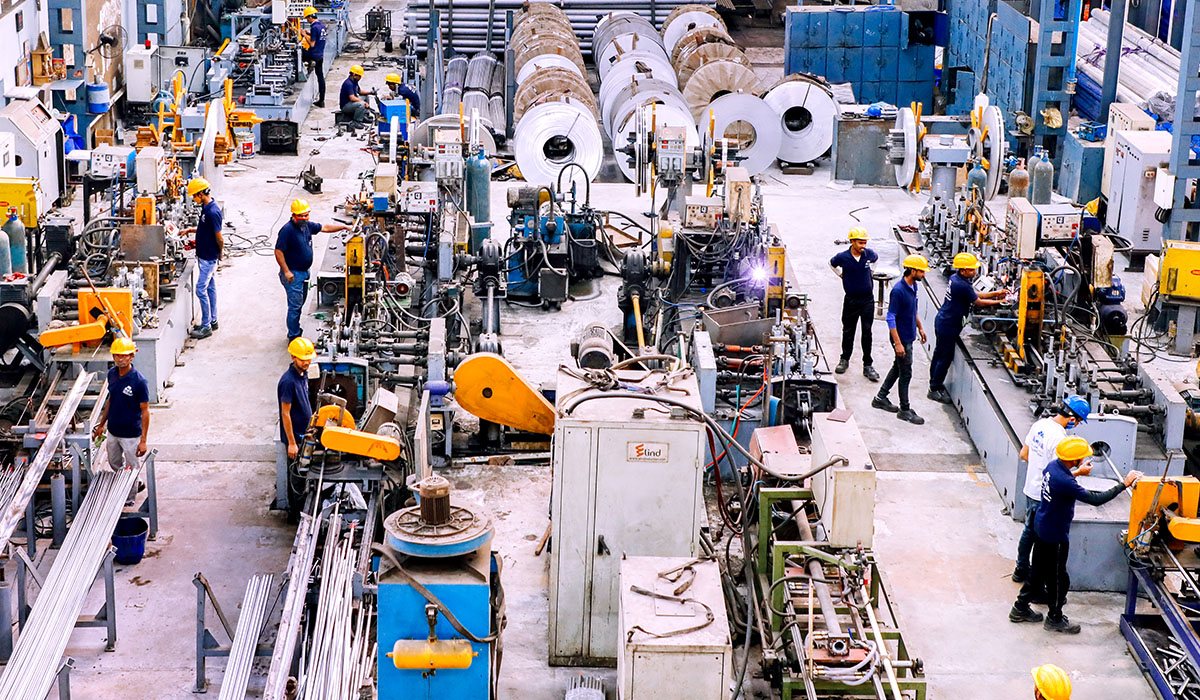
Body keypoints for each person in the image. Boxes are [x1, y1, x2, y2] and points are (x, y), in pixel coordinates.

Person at [1009, 436, 1141, 633]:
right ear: (1073, 460)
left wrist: (1077, 473)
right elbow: (1096, 499)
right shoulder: (1065, 481)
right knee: (1058, 579)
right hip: (1055, 535)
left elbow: (1062, 482)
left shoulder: (1053, 467)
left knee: (1037, 570)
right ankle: (1054, 618)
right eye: (1081, 458)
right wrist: (1124, 484)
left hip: (1041, 526)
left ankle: (1019, 608)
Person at [1012, 396, 1091, 583]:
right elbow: (1058, 475)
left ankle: (1020, 569)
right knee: (1042, 540)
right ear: (1072, 418)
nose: (1077, 424)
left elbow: (1024, 454)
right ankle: (1037, 580)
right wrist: (1080, 471)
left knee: (1028, 531)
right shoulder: (1059, 439)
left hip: (1031, 486)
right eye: (1078, 421)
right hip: (1044, 493)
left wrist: (1039, 465)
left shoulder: (1040, 425)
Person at [927, 252, 1008, 403]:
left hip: (944, 320)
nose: (975, 272)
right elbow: (978, 302)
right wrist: (1000, 301)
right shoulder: (961, 284)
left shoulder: (956, 278)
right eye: (971, 270)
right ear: (963, 270)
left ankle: (934, 382)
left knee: (939, 353)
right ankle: (935, 388)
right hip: (949, 325)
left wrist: (996, 293)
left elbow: (974, 294)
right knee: (944, 357)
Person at [274, 199, 350, 342]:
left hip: (304, 272)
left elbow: (325, 228)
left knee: (299, 303)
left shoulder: (307, 226)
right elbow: (278, 251)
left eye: (306, 215)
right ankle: (294, 336)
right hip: (293, 274)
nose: (304, 218)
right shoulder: (287, 230)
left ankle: (294, 329)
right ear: (294, 215)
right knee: (295, 307)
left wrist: (344, 228)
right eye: (301, 216)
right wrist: (286, 271)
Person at [91, 337, 150, 505]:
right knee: (114, 462)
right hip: (114, 431)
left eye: (124, 356)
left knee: (131, 468)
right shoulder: (112, 374)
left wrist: (143, 441)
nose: (120, 359)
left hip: (131, 434)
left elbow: (145, 412)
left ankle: (129, 499)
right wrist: (102, 424)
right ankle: (135, 483)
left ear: (132, 356)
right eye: (117, 355)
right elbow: (111, 400)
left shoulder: (139, 381)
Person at [872, 254, 928, 425]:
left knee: (898, 367)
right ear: (912, 271)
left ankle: (880, 397)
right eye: (922, 272)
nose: (924, 275)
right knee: (906, 373)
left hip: (909, 335)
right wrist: (898, 343)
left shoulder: (913, 287)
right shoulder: (898, 291)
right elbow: (890, 317)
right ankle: (904, 409)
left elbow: (913, 310)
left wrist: (920, 327)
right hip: (901, 338)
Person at [829, 227, 879, 381]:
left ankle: (868, 365)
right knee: (848, 331)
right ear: (852, 242)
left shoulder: (868, 254)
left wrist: (871, 272)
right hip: (851, 300)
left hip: (867, 300)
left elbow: (875, 259)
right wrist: (840, 274)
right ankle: (844, 359)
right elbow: (832, 264)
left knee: (867, 332)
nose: (863, 245)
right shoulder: (843, 257)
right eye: (860, 242)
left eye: (864, 242)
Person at [277, 337, 315, 516]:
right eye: (302, 358)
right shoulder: (288, 382)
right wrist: (292, 443)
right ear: (293, 357)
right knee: (297, 477)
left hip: (305, 434)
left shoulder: (303, 373)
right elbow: (285, 413)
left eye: (308, 358)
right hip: (296, 438)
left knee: (304, 473)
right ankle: (296, 515)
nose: (306, 362)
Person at [183, 177, 223, 340]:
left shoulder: (213, 212)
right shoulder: (206, 208)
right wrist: (190, 230)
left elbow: (219, 237)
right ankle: (212, 320)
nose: (193, 199)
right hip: (205, 255)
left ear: (201, 194)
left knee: (200, 289)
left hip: (209, 258)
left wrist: (220, 254)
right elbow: (204, 229)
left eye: (194, 196)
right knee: (210, 288)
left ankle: (206, 326)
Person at [302, 7, 328, 107]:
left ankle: (308, 64)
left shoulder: (314, 27)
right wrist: (309, 33)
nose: (307, 20)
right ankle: (321, 101)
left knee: (299, 53)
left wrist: (304, 35)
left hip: (314, 54)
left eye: (307, 18)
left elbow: (312, 44)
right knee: (320, 78)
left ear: (310, 17)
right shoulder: (322, 26)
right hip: (320, 55)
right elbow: (318, 37)